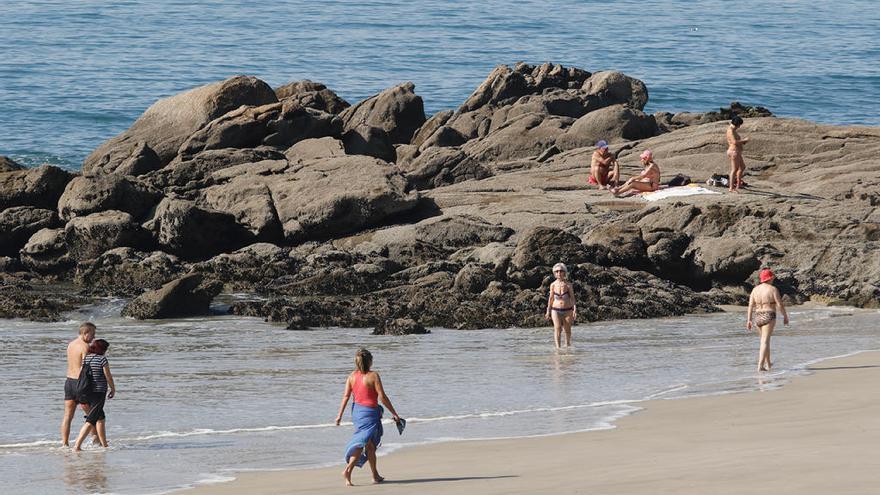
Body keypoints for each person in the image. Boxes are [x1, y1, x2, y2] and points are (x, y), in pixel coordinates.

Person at [335, 349, 401, 486]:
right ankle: (347, 470)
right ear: (370, 361)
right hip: (369, 414)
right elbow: (382, 397)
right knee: (362, 443)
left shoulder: (351, 376)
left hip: (357, 414)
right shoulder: (373, 376)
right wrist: (394, 413)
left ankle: (375, 475)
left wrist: (339, 415)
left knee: (369, 446)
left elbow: (346, 396)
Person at [73, 339, 116, 451]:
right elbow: (108, 375)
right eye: (105, 349)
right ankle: (77, 446)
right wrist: (113, 389)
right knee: (91, 420)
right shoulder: (102, 359)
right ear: (102, 349)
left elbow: (81, 374)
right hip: (98, 392)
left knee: (100, 417)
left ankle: (104, 444)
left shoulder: (86, 358)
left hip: (85, 392)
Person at [747, 269, 789, 372]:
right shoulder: (773, 289)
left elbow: (750, 306)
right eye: (772, 278)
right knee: (765, 341)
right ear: (770, 278)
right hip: (769, 314)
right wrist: (785, 316)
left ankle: (768, 364)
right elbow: (779, 304)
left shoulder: (755, 290)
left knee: (764, 341)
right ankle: (760, 366)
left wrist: (749, 320)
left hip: (757, 316)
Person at [62, 322, 96, 447]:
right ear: (85, 333)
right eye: (92, 334)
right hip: (80, 383)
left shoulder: (70, 345)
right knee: (92, 414)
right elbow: (86, 367)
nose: (94, 337)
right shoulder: (85, 347)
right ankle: (95, 440)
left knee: (68, 416)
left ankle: (65, 444)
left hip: (69, 382)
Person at [545, 263, 577, 348]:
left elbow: (572, 298)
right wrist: (548, 311)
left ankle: (567, 346)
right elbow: (551, 298)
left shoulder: (568, 285)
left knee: (567, 330)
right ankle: (558, 348)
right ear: (554, 273)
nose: (559, 273)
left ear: (564, 272)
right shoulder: (553, 285)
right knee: (557, 328)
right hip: (555, 310)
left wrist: (575, 310)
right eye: (557, 271)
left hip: (568, 310)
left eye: (561, 271)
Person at [726, 115, 749, 192]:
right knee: (734, 170)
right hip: (733, 152)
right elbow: (734, 142)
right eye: (739, 125)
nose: (739, 127)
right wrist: (744, 140)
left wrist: (743, 142)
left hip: (737, 151)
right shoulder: (730, 131)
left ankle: (739, 184)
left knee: (742, 167)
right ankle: (731, 188)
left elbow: (736, 142)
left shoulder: (734, 130)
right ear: (737, 124)